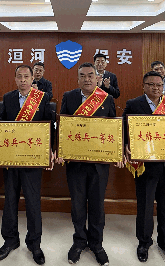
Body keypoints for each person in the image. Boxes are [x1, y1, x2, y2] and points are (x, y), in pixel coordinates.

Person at [0, 65, 55, 265]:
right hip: (11, 158)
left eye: (26, 77)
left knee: (33, 202)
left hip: (33, 158)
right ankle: (10, 240)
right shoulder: (8, 98)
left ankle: (34, 244)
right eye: (19, 77)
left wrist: (50, 149)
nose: (22, 80)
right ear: (15, 79)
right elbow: (2, 121)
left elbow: (49, 125)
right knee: (10, 201)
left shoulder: (42, 98)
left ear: (32, 79)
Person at [59, 62, 116, 266]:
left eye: (90, 75)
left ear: (97, 78)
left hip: (99, 163)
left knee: (97, 205)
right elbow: (62, 126)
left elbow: (113, 128)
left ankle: (96, 244)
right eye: (82, 76)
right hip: (75, 162)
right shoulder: (69, 97)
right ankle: (79, 241)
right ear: (78, 79)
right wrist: (61, 150)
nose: (87, 79)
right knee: (77, 205)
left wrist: (117, 152)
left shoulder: (107, 99)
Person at [122, 71, 165, 265]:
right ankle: (144, 242)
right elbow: (124, 129)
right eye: (151, 84)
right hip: (145, 164)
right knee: (145, 206)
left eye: (159, 85)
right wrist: (126, 145)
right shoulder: (133, 104)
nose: (156, 88)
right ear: (143, 86)